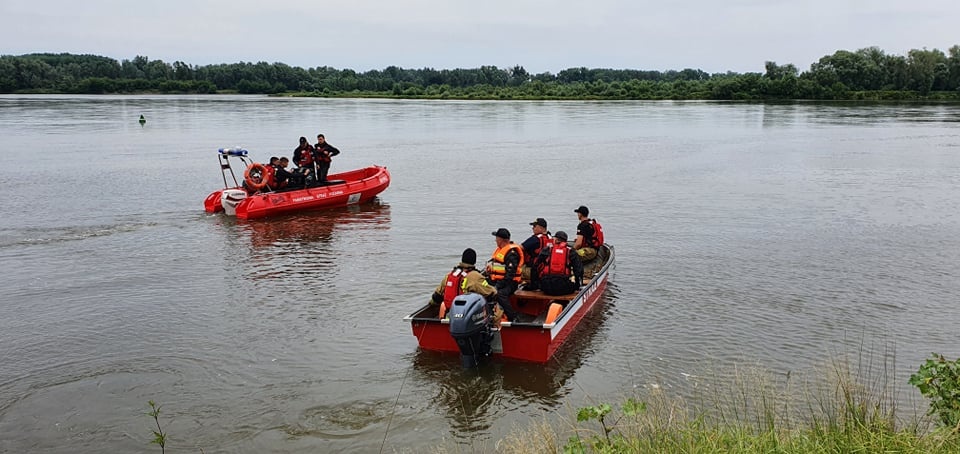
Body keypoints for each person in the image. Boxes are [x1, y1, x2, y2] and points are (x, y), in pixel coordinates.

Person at [430, 248, 497, 318]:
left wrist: (431, 304)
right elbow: (491, 292)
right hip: (467, 317)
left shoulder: (451, 275)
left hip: (450, 316)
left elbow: (436, 297)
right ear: (474, 261)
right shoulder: (475, 276)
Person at [485, 228, 524, 322]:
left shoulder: (512, 254)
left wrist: (497, 286)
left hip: (510, 283)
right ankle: (488, 313)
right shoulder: (500, 250)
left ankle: (513, 317)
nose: (495, 240)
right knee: (481, 288)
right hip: (497, 280)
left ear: (502, 240)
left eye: (497, 238)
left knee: (500, 294)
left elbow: (510, 275)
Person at [531, 231, 584, 296]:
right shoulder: (570, 251)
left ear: (556, 240)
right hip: (563, 287)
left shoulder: (547, 249)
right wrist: (577, 286)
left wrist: (535, 285)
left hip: (547, 287)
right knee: (571, 285)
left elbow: (535, 267)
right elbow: (578, 270)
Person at [520, 217, 552, 284]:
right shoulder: (551, 238)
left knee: (514, 271)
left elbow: (520, 248)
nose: (532, 228)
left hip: (533, 270)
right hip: (547, 269)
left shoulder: (535, 239)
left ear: (541, 228)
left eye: (534, 226)